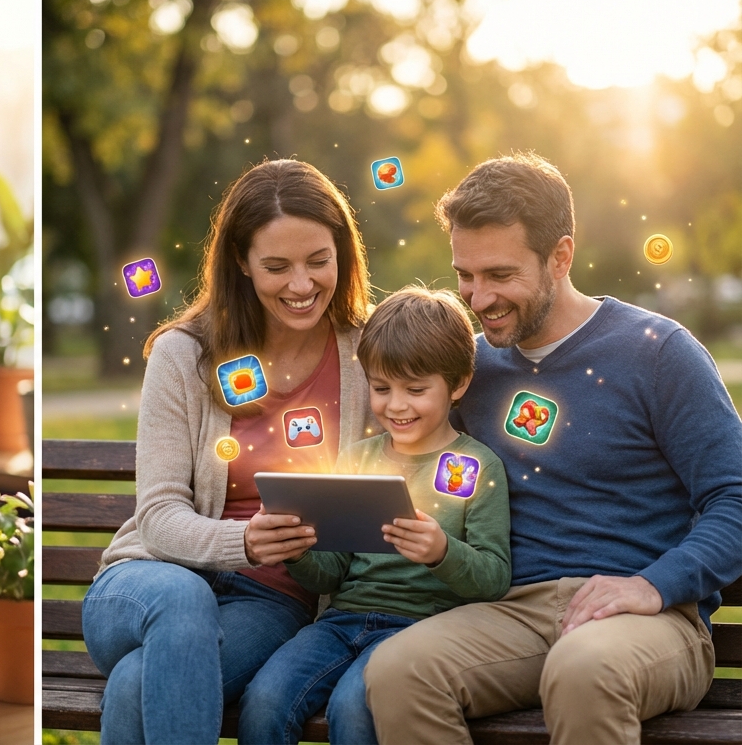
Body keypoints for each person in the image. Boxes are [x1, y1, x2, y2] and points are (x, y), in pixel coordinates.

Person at [364, 153, 742, 743]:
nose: (478, 298)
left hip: (645, 618)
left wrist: (652, 584)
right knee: (397, 671)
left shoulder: (658, 352)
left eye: (500, 274)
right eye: (466, 275)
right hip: (511, 612)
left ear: (560, 257)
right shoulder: (471, 369)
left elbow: (734, 497)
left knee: (584, 668)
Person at [81, 159, 379, 744]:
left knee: (136, 685)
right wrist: (242, 542)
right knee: (183, 598)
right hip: (148, 583)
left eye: (318, 261)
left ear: (343, 253)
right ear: (241, 262)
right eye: (277, 267)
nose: (302, 285)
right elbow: (158, 514)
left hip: (270, 598)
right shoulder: (183, 354)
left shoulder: (369, 351)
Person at [239, 286, 511, 744]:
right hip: (342, 621)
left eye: (415, 390)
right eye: (381, 388)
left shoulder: (477, 466)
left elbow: (494, 578)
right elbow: (331, 573)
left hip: (419, 630)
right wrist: (298, 548)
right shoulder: (357, 458)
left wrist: (442, 552)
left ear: (459, 384)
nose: (396, 405)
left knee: (353, 707)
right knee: (264, 700)